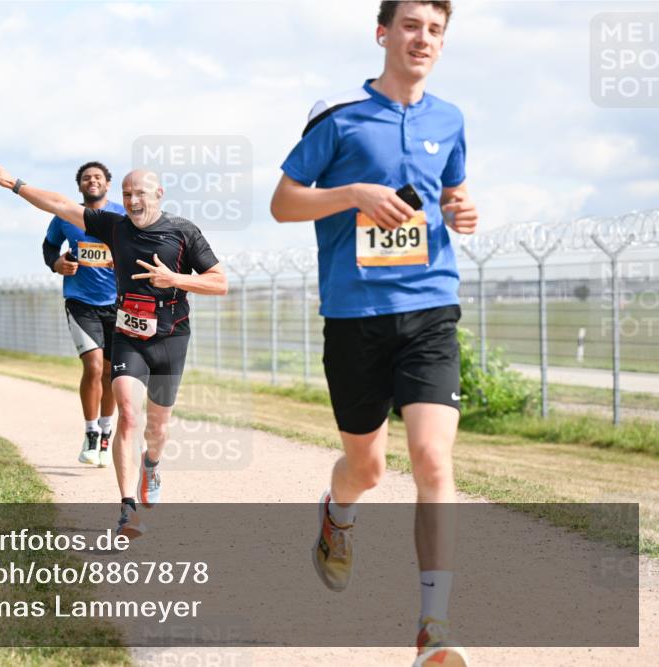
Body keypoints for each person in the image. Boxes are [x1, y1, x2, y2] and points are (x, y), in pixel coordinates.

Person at [269, 3, 479, 666]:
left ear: (443, 42)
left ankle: (434, 624)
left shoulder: (451, 120)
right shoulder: (338, 117)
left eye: (436, 30)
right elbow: (282, 202)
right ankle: (337, 512)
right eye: (412, 25)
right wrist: (353, 192)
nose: (423, 39)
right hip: (355, 316)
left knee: (433, 460)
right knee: (368, 467)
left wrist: (464, 208)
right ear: (384, 33)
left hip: (430, 308)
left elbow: (454, 192)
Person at [0, 155, 228, 538]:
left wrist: (175, 279)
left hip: (170, 337)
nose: (133, 200)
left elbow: (219, 282)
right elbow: (60, 205)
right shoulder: (113, 226)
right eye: (127, 193)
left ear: (159, 194)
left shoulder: (183, 232)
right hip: (128, 335)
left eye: (141, 193)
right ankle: (127, 510)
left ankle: (151, 465)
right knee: (129, 417)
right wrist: (14, 184)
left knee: (157, 429)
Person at [42, 161, 123, 468]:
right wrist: (56, 264)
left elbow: (140, 247)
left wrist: (123, 261)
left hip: (117, 303)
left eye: (98, 177)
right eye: (86, 178)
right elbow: (49, 246)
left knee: (112, 373)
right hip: (80, 301)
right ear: (79, 186)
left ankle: (105, 431)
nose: (92, 181)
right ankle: (90, 432)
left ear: (107, 184)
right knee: (92, 366)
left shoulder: (121, 214)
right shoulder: (65, 216)